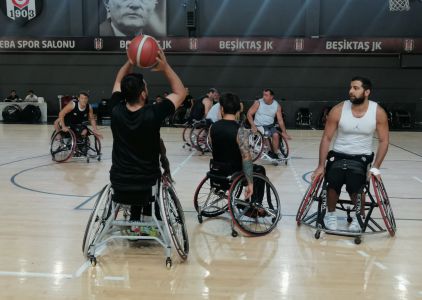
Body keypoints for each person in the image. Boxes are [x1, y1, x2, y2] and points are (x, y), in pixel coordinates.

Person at [109, 49, 186, 222]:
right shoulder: (154, 113)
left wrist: (130, 60)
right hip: (147, 181)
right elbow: (181, 92)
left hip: (119, 180)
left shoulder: (115, 110)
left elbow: (117, 80)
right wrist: (165, 67)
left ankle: (135, 221)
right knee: (152, 181)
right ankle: (149, 218)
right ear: (143, 94)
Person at [312, 76, 389, 232]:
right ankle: (331, 215)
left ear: (367, 92)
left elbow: (384, 141)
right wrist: (321, 165)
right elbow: (326, 138)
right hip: (339, 155)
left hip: (361, 158)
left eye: (355, 88)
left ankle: (357, 217)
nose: (351, 91)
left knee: (356, 184)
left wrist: (375, 167)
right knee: (333, 182)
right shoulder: (338, 110)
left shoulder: (378, 112)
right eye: (350, 88)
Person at [209, 92, 267, 215]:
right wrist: (250, 182)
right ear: (238, 111)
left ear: (222, 109)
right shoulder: (240, 131)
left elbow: (213, 147)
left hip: (216, 170)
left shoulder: (212, 127)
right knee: (260, 170)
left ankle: (247, 204)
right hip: (233, 174)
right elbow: (246, 158)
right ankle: (254, 205)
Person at [247, 89, 291, 159]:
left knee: (276, 135)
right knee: (267, 134)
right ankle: (270, 151)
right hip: (259, 125)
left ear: (271, 97)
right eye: (263, 95)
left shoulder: (277, 105)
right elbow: (249, 114)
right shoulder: (258, 103)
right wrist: (253, 125)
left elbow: (280, 120)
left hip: (270, 125)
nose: (264, 97)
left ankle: (275, 153)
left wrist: (284, 132)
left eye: (266, 95)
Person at [100, 0, 165, 37]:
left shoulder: (158, 40)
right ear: (106, 3)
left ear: (154, 5)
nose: (135, 5)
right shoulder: (97, 34)